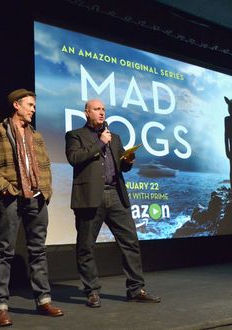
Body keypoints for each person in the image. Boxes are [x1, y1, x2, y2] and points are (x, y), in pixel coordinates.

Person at [65, 99, 161, 308]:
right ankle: (91, 291)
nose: (101, 113)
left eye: (104, 110)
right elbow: (74, 158)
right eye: (97, 109)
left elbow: (121, 167)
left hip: (116, 194)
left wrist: (127, 161)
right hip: (90, 197)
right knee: (86, 246)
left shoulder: (115, 138)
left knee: (130, 242)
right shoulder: (75, 135)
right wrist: (99, 142)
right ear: (86, 112)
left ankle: (136, 289)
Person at [0, 89, 64, 327]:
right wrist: (5, 187)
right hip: (11, 197)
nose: (33, 109)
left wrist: (46, 192)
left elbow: (46, 165)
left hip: (36, 198)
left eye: (34, 105)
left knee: (38, 251)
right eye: (30, 105)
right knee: (4, 251)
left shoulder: (36, 135)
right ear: (17, 105)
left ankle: (44, 301)